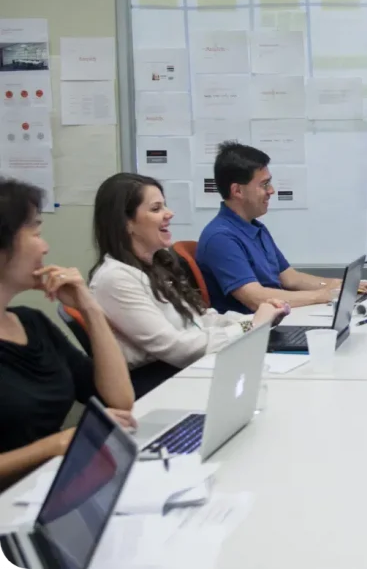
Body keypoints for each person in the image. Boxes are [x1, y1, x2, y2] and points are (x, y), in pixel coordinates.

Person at [0, 179, 135, 488]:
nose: (45, 246)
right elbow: (57, 442)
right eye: (35, 232)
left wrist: (90, 308)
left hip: (49, 490)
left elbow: (119, 399)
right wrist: (54, 446)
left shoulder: (32, 324)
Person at [89, 173, 288, 370]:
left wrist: (260, 318)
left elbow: (202, 320)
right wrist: (250, 327)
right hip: (159, 381)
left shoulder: (156, 266)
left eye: (164, 205)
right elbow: (177, 349)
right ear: (127, 223)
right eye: (156, 208)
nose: (169, 213)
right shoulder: (116, 279)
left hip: (191, 367)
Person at [196, 142, 367, 313]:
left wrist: (346, 285)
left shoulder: (255, 228)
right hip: (255, 333)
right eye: (264, 184)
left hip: (278, 318)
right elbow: (257, 299)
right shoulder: (221, 238)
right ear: (237, 190)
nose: (271, 190)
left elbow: (291, 279)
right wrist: (327, 294)